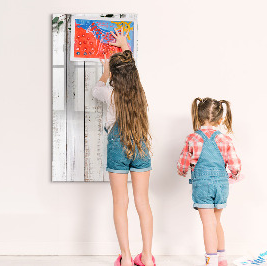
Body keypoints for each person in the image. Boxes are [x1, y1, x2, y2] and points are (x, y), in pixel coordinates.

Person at [92, 28, 155, 266]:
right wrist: (126, 46)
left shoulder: (110, 94)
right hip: (140, 146)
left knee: (121, 203)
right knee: (143, 202)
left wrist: (105, 72)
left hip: (118, 148)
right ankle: (147, 257)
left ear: (115, 77)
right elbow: (131, 70)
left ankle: (127, 258)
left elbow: (95, 90)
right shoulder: (140, 94)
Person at [177, 98, 242, 266]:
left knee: (208, 224)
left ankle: (211, 261)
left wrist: (182, 171)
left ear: (198, 117)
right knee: (216, 222)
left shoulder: (192, 138)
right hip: (221, 185)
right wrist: (234, 176)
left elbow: (182, 164)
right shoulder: (225, 139)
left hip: (202, 186)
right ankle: (222, 260)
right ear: (220, 120)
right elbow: (235, 165)